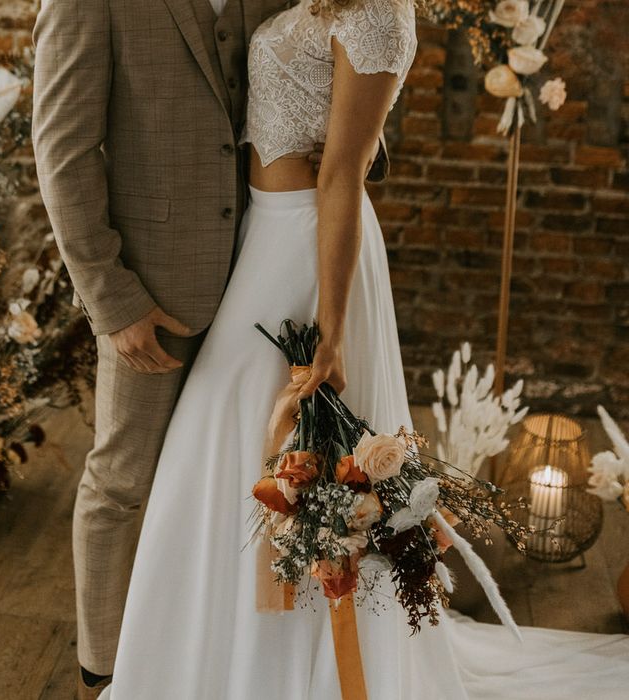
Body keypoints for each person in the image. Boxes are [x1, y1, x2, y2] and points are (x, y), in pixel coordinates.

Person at [96, 0, 629, 697]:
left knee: (271, 445)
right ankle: (207, 660)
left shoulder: (382, 14)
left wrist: (333, 329)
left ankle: (281, 671)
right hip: (260, 237)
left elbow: (344, 169)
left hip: (306, 255)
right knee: (224, 447)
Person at [30, 0, 391, 697]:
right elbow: (63, 152)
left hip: (268, 266)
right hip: (156, 288)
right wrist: (113, 299)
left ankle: (216, 655)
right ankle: (105, 672)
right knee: (123, 480)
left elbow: (333, 66)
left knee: (239, 472)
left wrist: (353, 141)